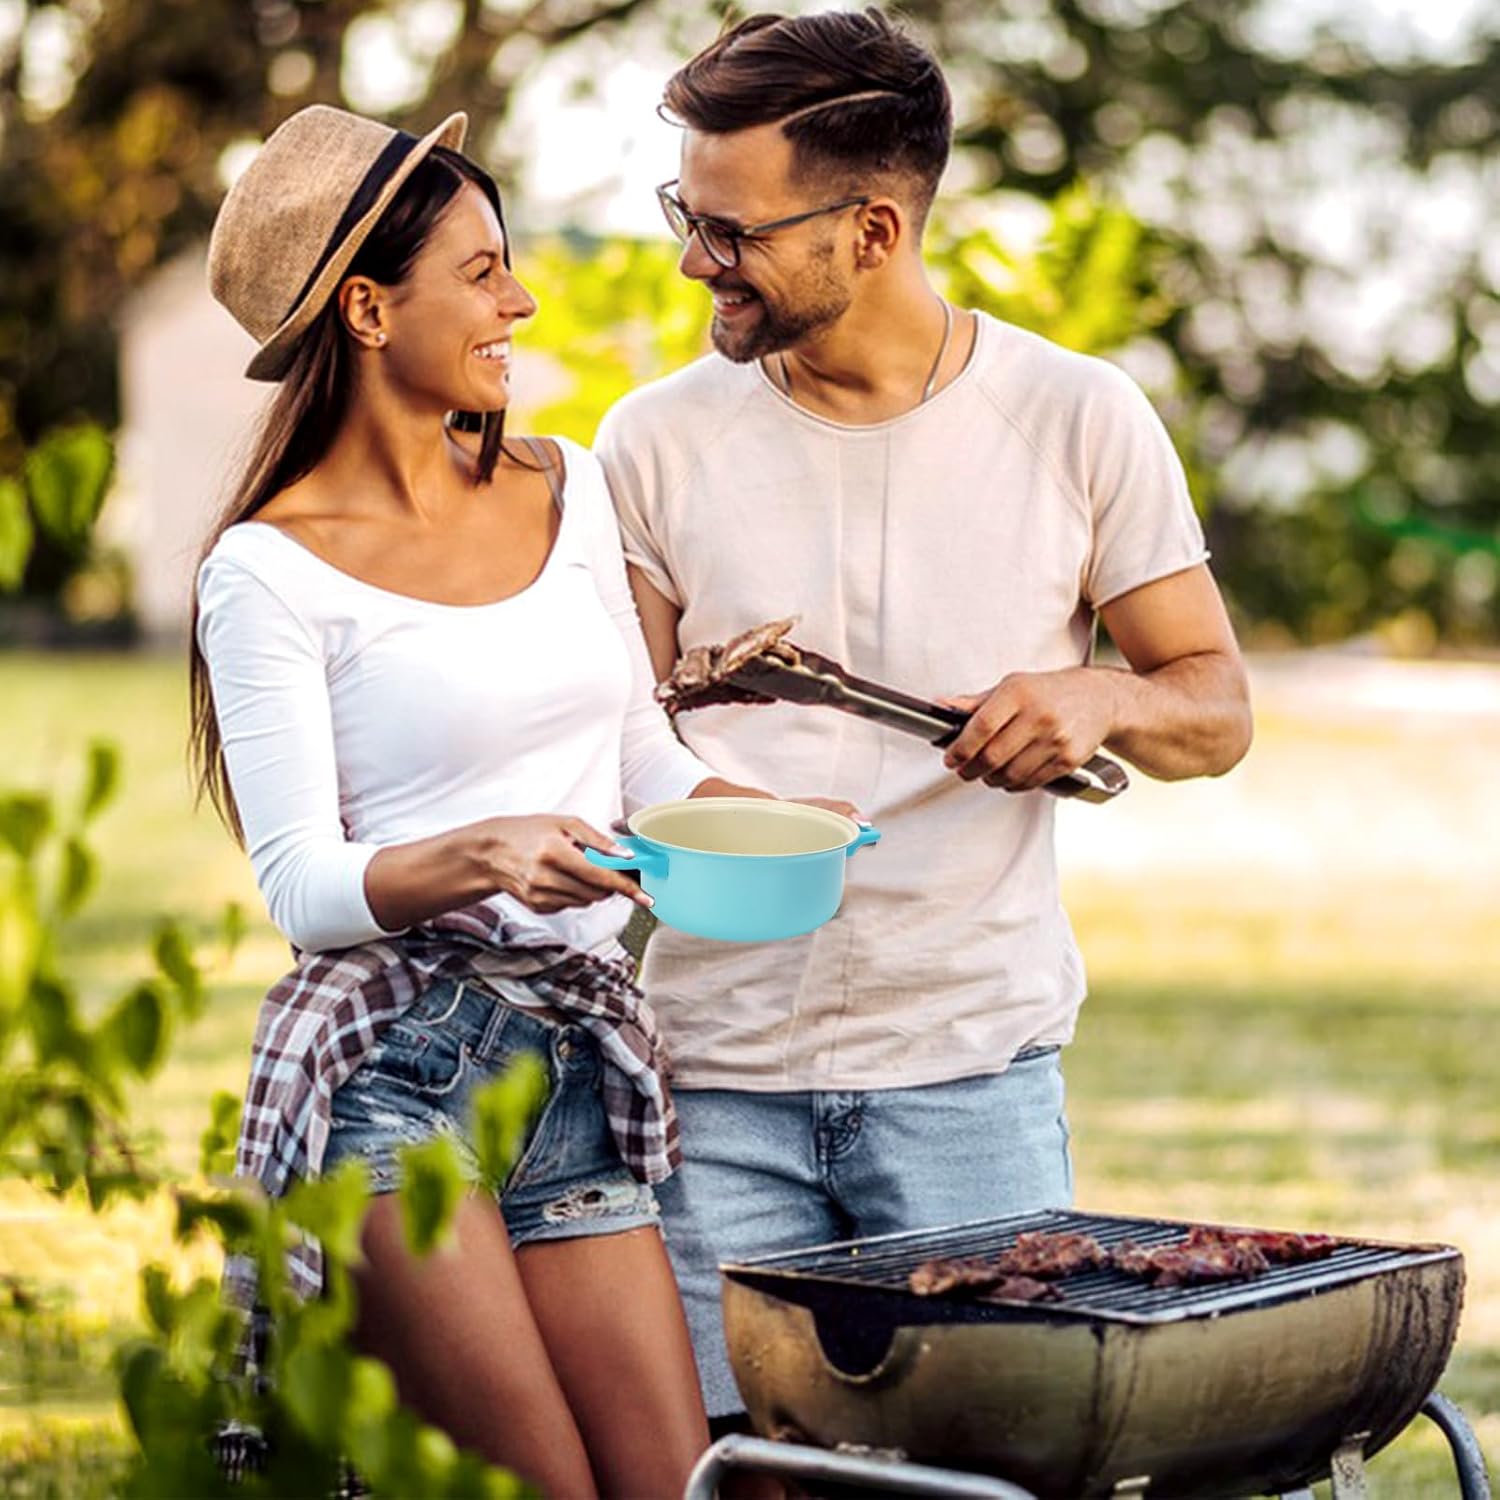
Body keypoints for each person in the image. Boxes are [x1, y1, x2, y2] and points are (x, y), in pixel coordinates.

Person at [594, 8, 1254, 1436]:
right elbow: (614, 750)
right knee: (741, 1470)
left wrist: (1101, 695)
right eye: (686, 214)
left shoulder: (1080, 418)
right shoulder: (652, 442)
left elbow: (1216, 708)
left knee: (984, 1468)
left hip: (968, 1077)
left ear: (876, 229)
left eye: (734, 230)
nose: (696, 257)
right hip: (713, 1074)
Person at [192, 103, 784, 1497]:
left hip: (574, 1063)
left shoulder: (565, 488)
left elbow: (641, 750)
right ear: (366, 308)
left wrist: (743, 815)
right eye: (480, 271)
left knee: (670, 1484)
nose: (519, 300)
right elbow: (302, 886)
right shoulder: (269, 572)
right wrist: (485, 855)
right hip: (395, 1079)